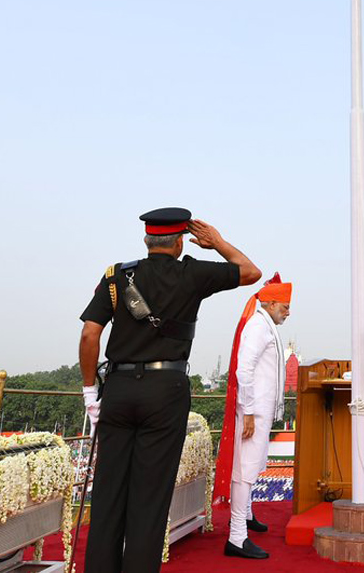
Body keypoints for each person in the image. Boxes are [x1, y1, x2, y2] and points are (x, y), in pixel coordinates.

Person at [79, 208, 261, 573]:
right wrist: (218, 242)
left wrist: (89, 394)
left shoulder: (117, 276)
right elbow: (250, 272)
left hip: (117, 388)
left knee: (108, 494)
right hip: (166, 391)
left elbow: (90, 334)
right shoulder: (192, 272)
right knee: (150, 498)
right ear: (180, 241)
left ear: (147, 240)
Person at [211, 274, 294, 559]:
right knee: (244, 471)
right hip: (253, 411)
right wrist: (247, 412)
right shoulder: (259, 327)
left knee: (252, 465)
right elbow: (243, 371)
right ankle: (236, 536)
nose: (288, 311)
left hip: (259, 410)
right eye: (284, 306)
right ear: (270, 304)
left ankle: (245, 516)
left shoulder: (266, 324)